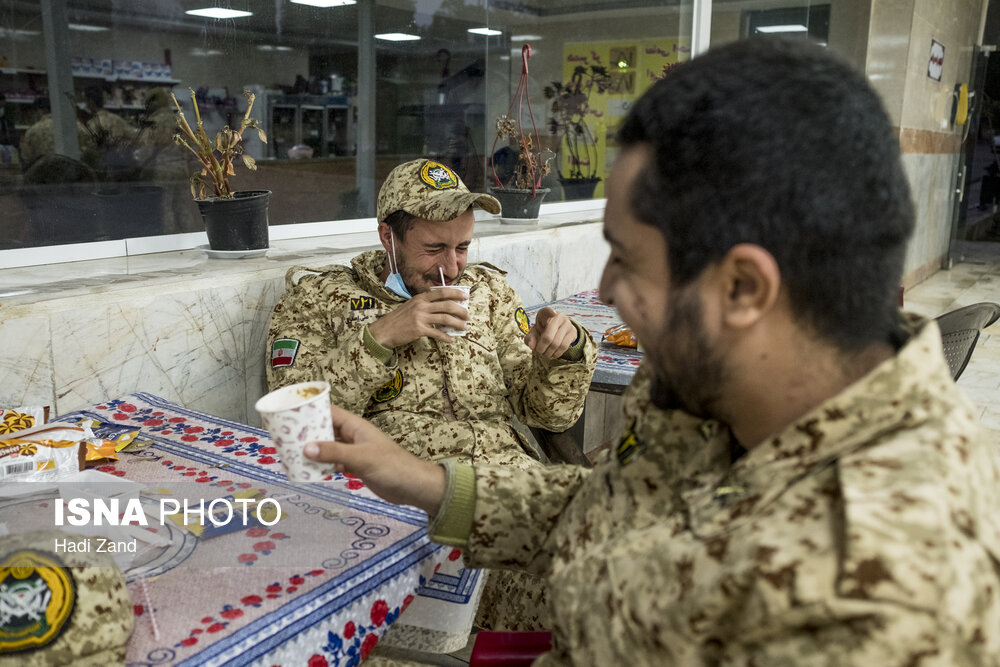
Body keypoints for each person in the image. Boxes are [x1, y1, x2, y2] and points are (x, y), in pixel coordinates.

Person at [302, 37, 1000, 664]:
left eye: (627, 261)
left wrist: (561, 357)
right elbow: (613, 503)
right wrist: (429, 484)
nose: (604, 290)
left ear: (744, 286)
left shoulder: (873, 607)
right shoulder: (712, 393)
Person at [265, 157, 598, 629]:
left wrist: (562, 352)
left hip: (511, 482)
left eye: (463, 246)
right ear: (388, 238)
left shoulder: (488, 291)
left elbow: (548, 412)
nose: (453, 266)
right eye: (434, 248)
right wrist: (380, 336)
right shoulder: (320, 299)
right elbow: (295, 423)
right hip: (409, 499)